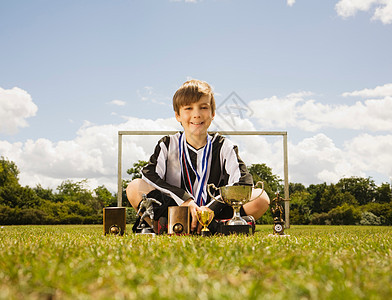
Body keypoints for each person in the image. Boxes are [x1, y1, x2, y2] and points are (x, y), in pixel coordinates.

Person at [126, 79, 270, 233]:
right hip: (174, 208)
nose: (196, 114)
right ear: (178, 115)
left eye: (203, 107)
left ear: (213, 113)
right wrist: (185, 200)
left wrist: (210, 209)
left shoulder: (223, 146)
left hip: (215, 212)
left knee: (261, 198)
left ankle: (200, 226)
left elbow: (244, 182)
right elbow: (150, 176)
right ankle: (186, 225)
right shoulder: (168, 144)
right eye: (188, 108)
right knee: (134, 187)